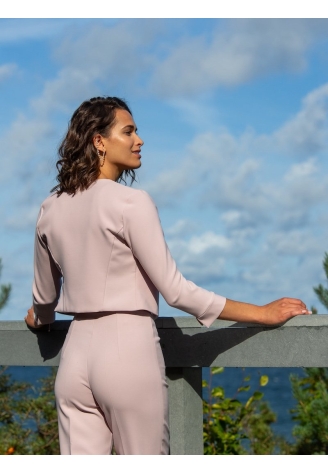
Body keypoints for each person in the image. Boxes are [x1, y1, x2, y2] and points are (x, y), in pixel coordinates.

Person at [25, 96, 311, 455]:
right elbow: (176, 291)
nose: (138, 140)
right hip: (127, 350)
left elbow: (44, 301)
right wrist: (262, 313)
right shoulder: (131, 202)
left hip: (74, 358)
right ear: (99, 141)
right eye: (128, 131)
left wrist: (39, 318)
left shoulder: (50, 208)